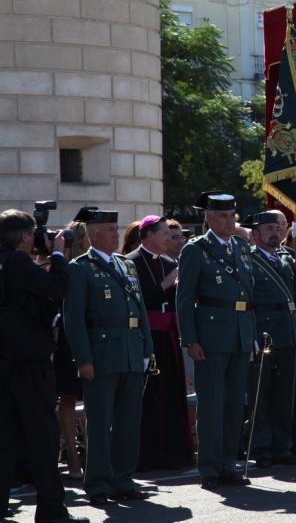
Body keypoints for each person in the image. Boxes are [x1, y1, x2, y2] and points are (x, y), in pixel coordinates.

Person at [0, 210, 89, 523]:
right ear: (25, 237)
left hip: (6, 362)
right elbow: (58, 288)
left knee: (6, 436)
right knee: (42, 436)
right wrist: (59, 253)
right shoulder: (17, 263)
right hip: (29, 363)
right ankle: (51, 509)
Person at [63, 208, 153, 506]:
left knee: (130, 420)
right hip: (101, 353)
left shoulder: (126, 265)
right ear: (93, 234)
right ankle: (98, 482)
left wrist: (147, 351)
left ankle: (123, 477)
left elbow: (140, 311)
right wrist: (83, 360)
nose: (116, 234)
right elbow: (73, 319)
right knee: (100, 422)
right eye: (110, 229)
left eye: (117, 228)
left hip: (130, 349)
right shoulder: (80, 268)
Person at [176, 191, 256, 489]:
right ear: (208, 218)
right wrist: (191, 339)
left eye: (232, 214)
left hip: (239, 333)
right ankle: (210, 467)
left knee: (235, 404)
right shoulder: (196, 249)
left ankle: (228, 464)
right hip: (210, 335)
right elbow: (184, 300)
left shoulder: (241, 247)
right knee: (211, 405)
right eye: (223, 215)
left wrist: (251, 333)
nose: (230, 219)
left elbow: (250, 294)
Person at [126, 215, 192, 470]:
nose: (170, 238)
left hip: (169, 336)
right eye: (164, 233)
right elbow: (144, 298)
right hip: (146, 337)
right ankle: (148, 457)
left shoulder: (169, 262)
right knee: (149, 397)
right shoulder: (130, 263)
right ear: (149, 236)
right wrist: (170, 280)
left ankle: (173, 454)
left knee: (172, 395)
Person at [243, 212, 296, 468]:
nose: (274, 232)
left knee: (284, 394)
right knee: (261, 393)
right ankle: (262, 447)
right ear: (255, 234)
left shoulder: (287, 258)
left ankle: (283, 446)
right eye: (267, 228)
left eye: (276, 227)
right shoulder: (249, 260)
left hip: (287, 329)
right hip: (263, 330)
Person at [53, 219, 90, 481]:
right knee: (67, 398)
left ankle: (86, 454)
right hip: (67, 339)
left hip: (90, 335)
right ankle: (74, 458)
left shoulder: (93, 264)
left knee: (89, 399)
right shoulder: (63, 266)